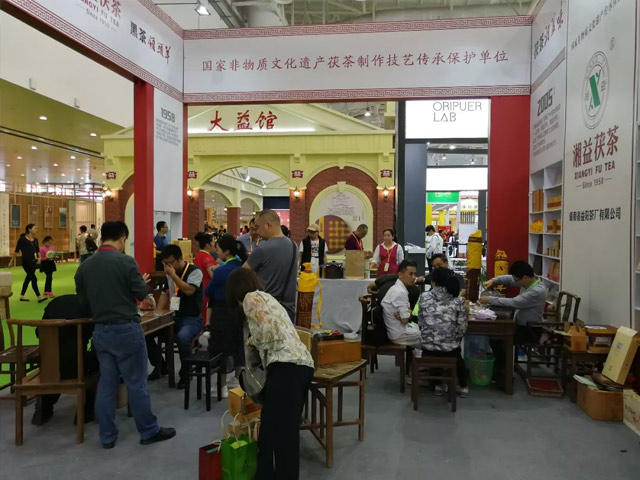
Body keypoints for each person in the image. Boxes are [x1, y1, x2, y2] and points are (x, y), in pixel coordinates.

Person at [74, 221, 175, 448]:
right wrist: (142, 285)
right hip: (126, 329)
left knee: (107, 383)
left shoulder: (85, 266)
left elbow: (83, 301)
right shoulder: (125, 262)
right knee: (136, 382)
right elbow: (141, 293)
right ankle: (148, 430)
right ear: (122, 239)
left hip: (101, 331)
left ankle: (107, 436)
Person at [226, 268, 314, 480]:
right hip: (303, 365)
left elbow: (266, 336)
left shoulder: (250, 298)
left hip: (285, 368)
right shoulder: (270, 299)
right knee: (281, 431)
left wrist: (251, 342)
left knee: (278, 437)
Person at [31, 294, 98, 426]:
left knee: (57, 367)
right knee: (100, 363)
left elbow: (38, 333)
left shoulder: (55, 303)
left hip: (48, 367)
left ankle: (45, 406)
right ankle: (86, 411)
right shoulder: (88, 307)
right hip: (77, 366)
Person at [147, 245, 203, 388]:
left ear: (180, 259)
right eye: (165, 263)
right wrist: (157, 314)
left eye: (170, 263)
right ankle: (160, 366)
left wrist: (173, 275)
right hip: (173, 316)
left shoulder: (195, 271)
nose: (168, 266)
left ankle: (186, 372)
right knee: (146, 334)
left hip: (191, 318)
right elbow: (165, 293)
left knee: (183, 337)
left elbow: (189, 290)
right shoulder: (169, 273)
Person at [480, 260, 548, 375]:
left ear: (525, 278)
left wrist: (489, 299)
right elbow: (510, 279)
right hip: (520, 325)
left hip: (529, 330)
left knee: (497, 339)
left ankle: (503, 370)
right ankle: (503, 365)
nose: (515, 282)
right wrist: (494, 280)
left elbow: (514, 303)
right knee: (495, 335)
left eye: (517, 280)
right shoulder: (531, 280)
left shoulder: (537, 291)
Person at [204, 234, 247, 398]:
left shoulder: (222, 271)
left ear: (226, 251)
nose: (216, 251)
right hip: (238, 310)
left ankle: (221, 387)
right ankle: (237, 379)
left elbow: (208, 291)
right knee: (237, 344)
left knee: (220, 348)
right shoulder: (241, 266)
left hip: (222, 311)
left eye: (218, 249)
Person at [418, 267, 469, 397]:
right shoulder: (458, 299)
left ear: (433, 282)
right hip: (450, 349)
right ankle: (463, 386)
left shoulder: (423, 297)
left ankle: (437, 385)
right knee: (456, 352)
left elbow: (421, 322)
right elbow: (462, 327)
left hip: (427, 347)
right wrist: (453, 338)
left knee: (435, 345)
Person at [243, 210, 298, 321]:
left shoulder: (262, 249)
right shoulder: (293, 245)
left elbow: (242, 273)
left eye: (257, 227)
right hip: (288, 311)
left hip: (266, 311)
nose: (256, 231)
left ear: (268, 225)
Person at [380, 260, 421, 350]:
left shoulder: (396, 288)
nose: (414, 277)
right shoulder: (399, 292)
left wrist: (408, 314)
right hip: (400, 334)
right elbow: (405, 320)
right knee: (432, 338)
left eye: (414, 274)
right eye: (410, 274)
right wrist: (409, 314)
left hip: (398, 330)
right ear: (400, 275)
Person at [15, 223, 47, 303]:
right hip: (26, 261)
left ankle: (22, 296)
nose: (36, 230)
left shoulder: (35, 240)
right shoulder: (22, 239)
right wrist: (11, 261)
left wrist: (39, 258)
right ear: (29, 229)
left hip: (33, 261)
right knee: (33, 278)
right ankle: (39, 297)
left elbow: (38, 250)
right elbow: (16, 250)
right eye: (35, 228)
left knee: (29, 278)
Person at [194, 232, 218, 326]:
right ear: (208, 245)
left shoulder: (199, 255)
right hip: (207, 287)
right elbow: (214, 276)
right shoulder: (207, 257)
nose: (214, 245)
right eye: (213, 242)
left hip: (200, 287)